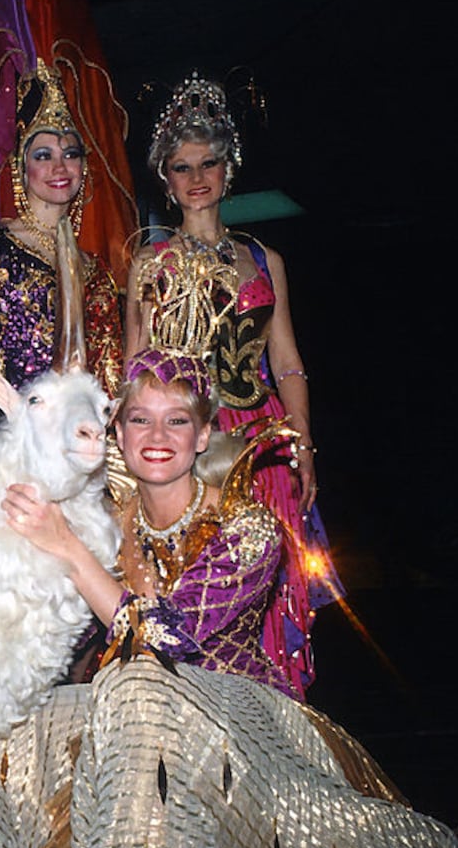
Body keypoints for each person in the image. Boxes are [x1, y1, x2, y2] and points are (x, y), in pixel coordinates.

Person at [0, 349, 458, 848]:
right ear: (116, 433)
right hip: (135, 721)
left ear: (203, 436)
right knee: (16, 707)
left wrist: (68, 550)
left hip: (247, 730)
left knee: (138, 683)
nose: (157, 435)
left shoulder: (250, 530)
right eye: (140, 418)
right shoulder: (101, 521)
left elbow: (163, 638)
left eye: (177, 420)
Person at [125, 71, 338, 698]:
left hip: (258, 440)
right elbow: (137, 366)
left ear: (228, 169)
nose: (196, 177)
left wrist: (303, 447)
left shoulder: (264, 259)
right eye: (181, 165)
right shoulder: (149, 261)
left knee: (266, 588)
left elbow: (289, 363)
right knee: (193, 588)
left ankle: (269, 730)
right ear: (164, 178)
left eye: (209, 162)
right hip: (184, 443)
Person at [0, 60, 123, 460]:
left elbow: (109, 373)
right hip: (14, 441)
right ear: (20, 170)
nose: (60, 167)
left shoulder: (94, 271)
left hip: (82, 444)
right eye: (44, 154)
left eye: (71, 153)